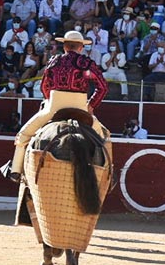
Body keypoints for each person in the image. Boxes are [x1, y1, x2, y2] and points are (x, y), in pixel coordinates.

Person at [7, 30, 108, 180]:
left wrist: (49, 101)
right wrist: (90, 105)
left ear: (65, 46)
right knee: (104, 138)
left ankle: (15, 171)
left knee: (23, 135)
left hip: (54, 107)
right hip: (80, 107)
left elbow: (44, 86)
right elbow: (103, 87)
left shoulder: (54, 61)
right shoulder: (86, 63)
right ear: (81, 47)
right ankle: (107, 174)